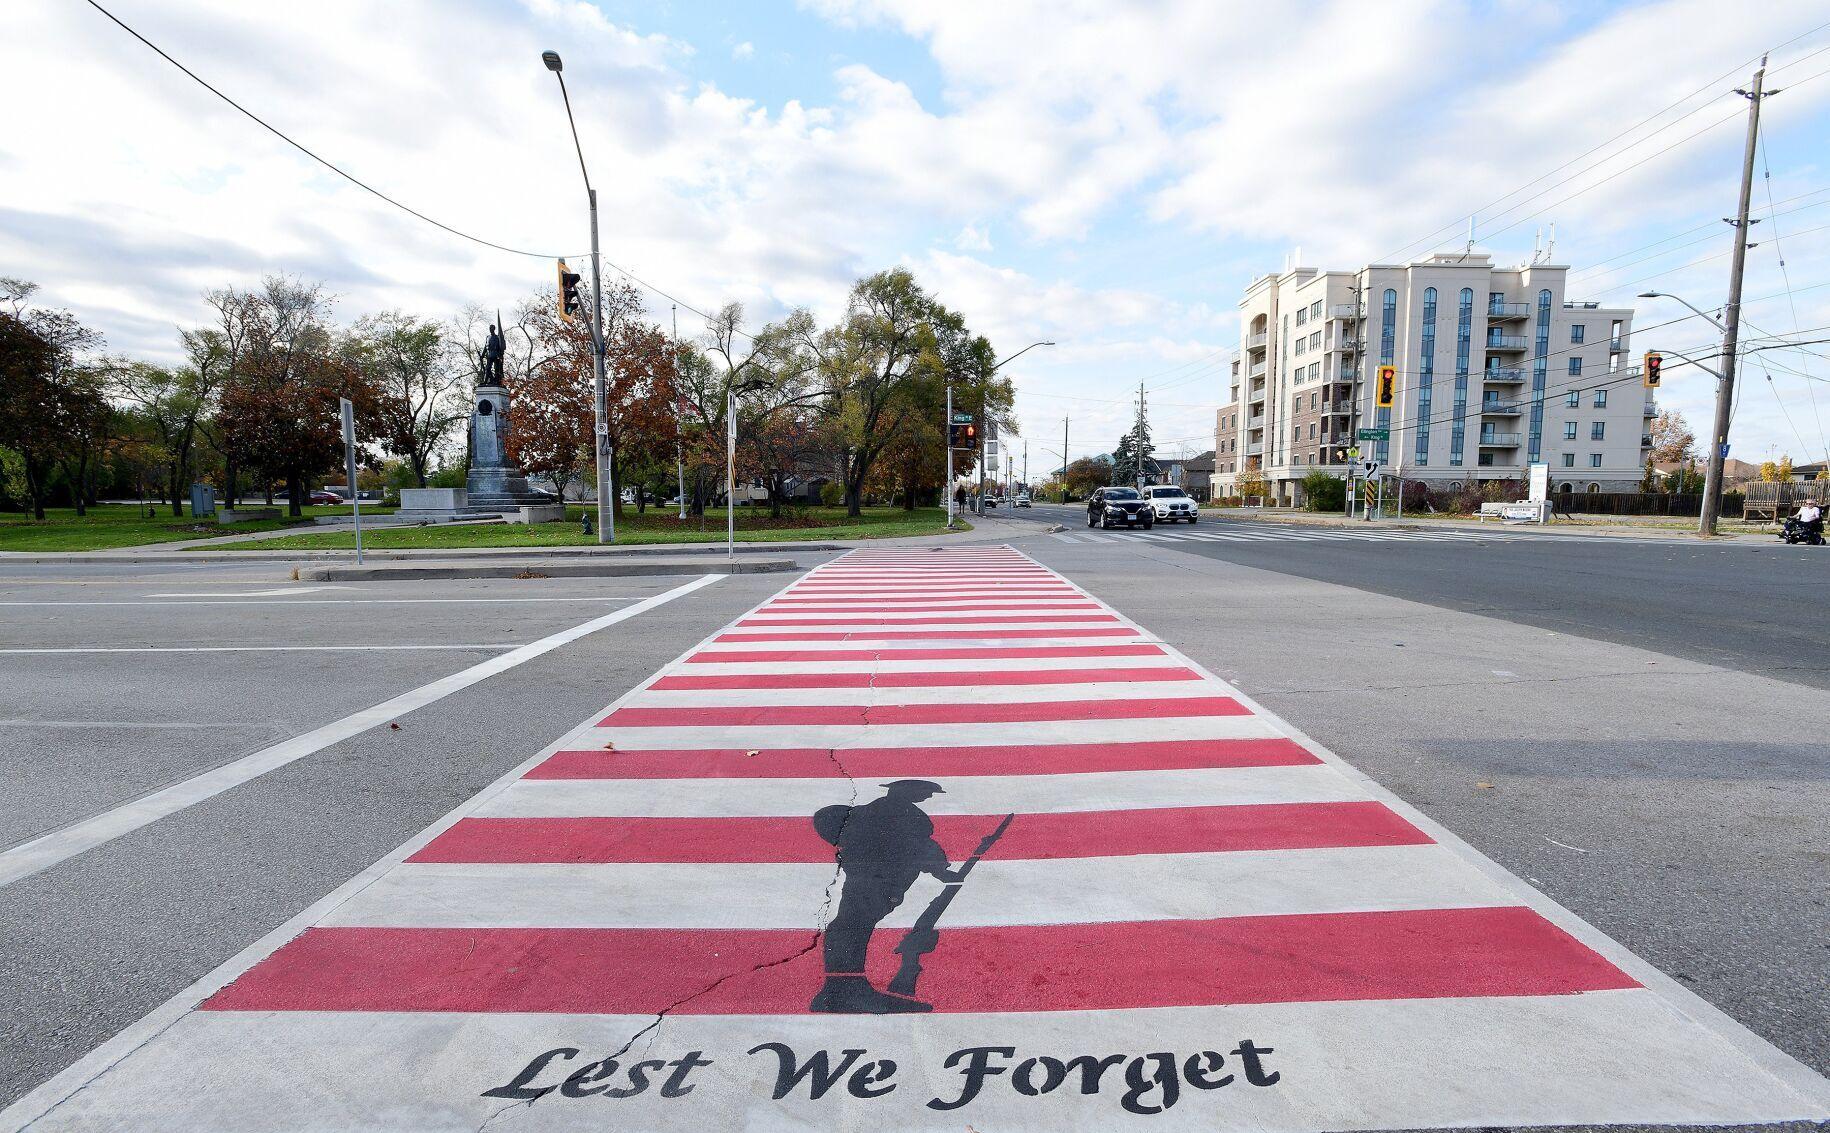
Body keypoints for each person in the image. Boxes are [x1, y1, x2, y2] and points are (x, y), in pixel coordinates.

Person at [810, 781, 962, 1014]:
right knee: (852, 926)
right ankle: (847, 990)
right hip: (879, 878)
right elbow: (923, 847)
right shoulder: (909, 817)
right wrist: (940, 870)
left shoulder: (869, 811)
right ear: (909, 792)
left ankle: (841, 989)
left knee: (851, 924)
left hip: (867, 875)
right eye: (925, 793)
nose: (927, 797)